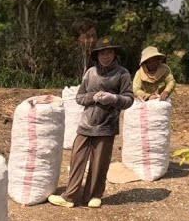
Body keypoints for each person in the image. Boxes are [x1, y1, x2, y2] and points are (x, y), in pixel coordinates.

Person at [50, 38, 133, 209]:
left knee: (100, 161)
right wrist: (91, 97)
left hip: (106, 125)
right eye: (102, 53)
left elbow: (129, 99)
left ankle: (93, 195)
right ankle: (70, 196)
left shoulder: (122, 74)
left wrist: (113, 98)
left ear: (114, 54)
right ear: (97, 56)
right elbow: (79, 97)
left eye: (109, 52)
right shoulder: (90, 73)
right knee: (77, 159)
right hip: (86, 123)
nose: (106, 56)